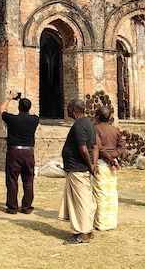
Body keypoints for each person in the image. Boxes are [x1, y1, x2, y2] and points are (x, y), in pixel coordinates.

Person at [58, 99, 98, 245]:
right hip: (79, 168)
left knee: (80, 202)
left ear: (73, 110)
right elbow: (94, 146)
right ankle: (87, 229)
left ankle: (83, 235)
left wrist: (90, 165)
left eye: (68, 108)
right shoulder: (88, 123)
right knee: (84, 200)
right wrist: (92, 165)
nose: (66, 110)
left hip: (78, 168)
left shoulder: (80, 125)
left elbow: (84, 149)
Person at [0, 91, 40, 214]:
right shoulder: (35, 120)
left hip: (14, 152)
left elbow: (1, 109)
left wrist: (10, 98)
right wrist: (23, 101)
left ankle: (12, 207)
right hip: (28, 152)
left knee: (12, 179)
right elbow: (32, 112)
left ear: (18, 108)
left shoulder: (12, 119)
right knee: (28, 180)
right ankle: (26, 207)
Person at [93, 104, 126, 230]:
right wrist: (113, 157)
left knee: (100, 193)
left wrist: (109, 157)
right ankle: (111, 222)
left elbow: (98, 147)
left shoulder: (96, 129)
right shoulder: (114, 129)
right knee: (111, 193)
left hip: (102, 163)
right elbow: (122, 147)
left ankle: (101, 222)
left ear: (97, 117)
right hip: (112, 164)